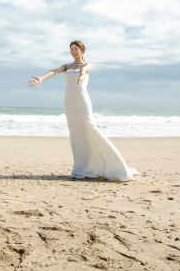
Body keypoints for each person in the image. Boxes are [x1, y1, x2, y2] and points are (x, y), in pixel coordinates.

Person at [29, 41, 136, 180]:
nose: (73, 51)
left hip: (81, 98)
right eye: (71, 49)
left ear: (82, 50)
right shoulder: (67, 66)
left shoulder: (87, 65)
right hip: (69, 99)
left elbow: (85, 70)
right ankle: (80, 168)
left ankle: (111, 164)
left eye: (76, 49)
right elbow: (55, 71)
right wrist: (41, 79)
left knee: (89, 127)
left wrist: (81, 74)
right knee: (75, 132)